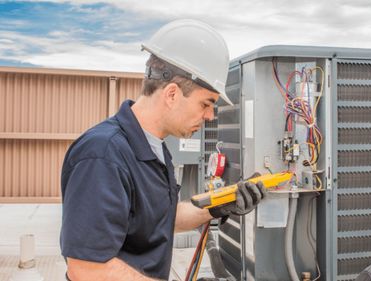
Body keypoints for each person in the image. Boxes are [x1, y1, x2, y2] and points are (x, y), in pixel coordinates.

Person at [60, 19, 266, 281]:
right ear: (171, 94)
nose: (210, 115)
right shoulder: (103, 155)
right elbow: (88, 269)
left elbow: (160, 220)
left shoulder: (154, 148)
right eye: (206, 103)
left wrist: (223, 203)